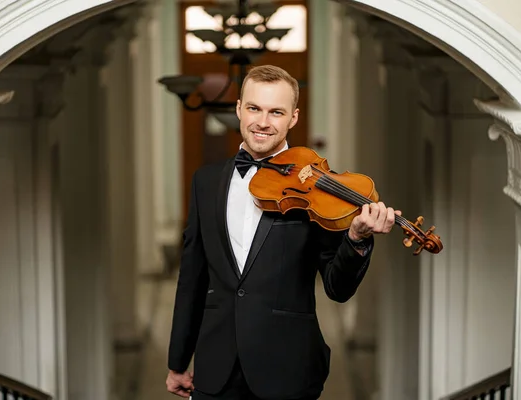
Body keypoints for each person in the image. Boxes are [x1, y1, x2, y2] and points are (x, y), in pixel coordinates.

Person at [166, 65, 400, 400]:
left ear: (293, 117)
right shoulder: (205, 181)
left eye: (276, 112)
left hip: (289, 369)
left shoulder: (319, 190)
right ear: (238, 109)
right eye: (254, 108)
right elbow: (192, 277)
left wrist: (357, 239)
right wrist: (177, 360)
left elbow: (337, 286)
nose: (262, 122)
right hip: (216, 368)